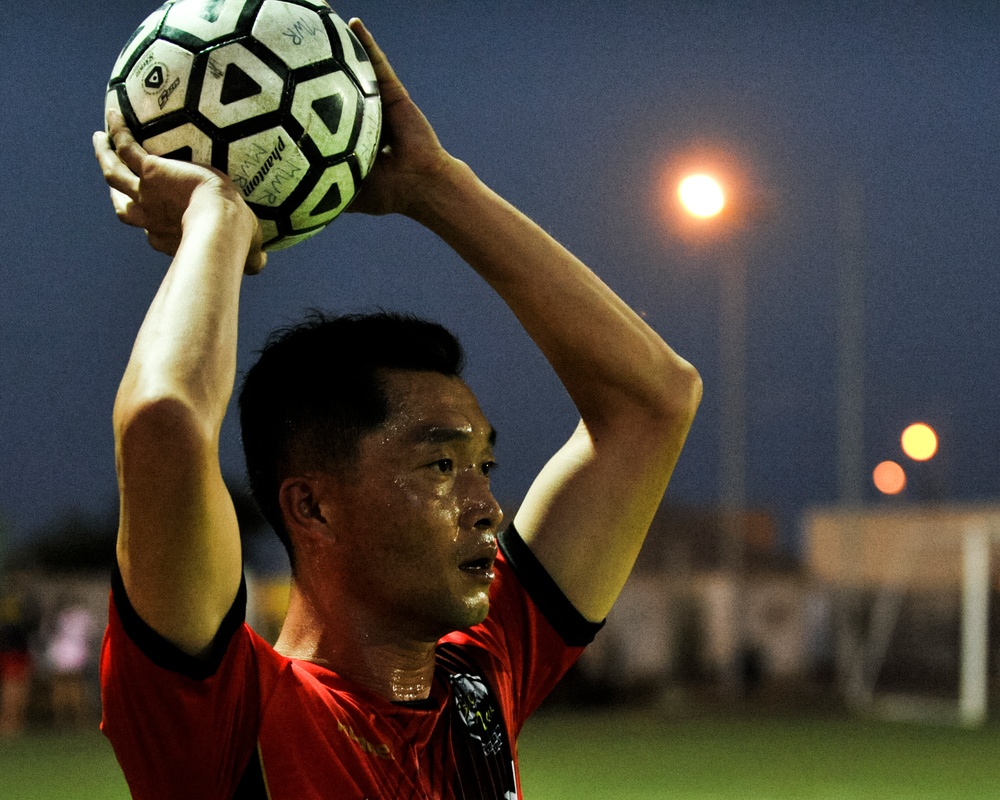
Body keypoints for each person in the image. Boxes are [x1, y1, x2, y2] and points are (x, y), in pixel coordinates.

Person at [93, 18, 701, 800]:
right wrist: (218, 220)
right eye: (441, 465)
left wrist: (437, 186)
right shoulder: (227, 717)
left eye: (484, 465)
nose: (487, 506)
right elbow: (163, 427)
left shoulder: (482, 676)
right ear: (311, 506)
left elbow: (656, 401)